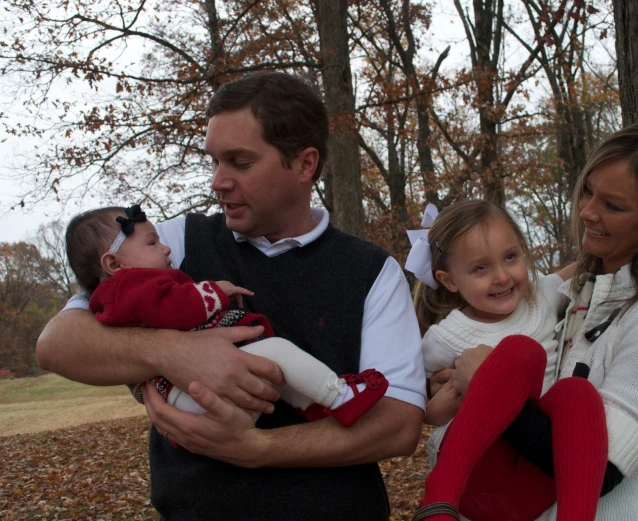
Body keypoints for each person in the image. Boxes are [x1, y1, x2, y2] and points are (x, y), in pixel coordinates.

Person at [36, 71, 425, 521]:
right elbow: (56, 343)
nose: (218, 181)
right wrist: (176, 352)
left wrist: (255, 449)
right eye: (215, 161)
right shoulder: (173, 243)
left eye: (239, 163)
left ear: (304, 164)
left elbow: (398, 426)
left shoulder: (372, 272)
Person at [433, 117, 638, 521]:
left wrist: (488, 386)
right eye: (588, 191)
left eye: (612, 205)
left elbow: (604, 470)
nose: (587, 211)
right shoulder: (577, 294)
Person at [65, 203, 389, 426]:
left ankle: (313, 405)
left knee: (273, 371)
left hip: (187, 393)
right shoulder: (130, 287)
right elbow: (176, 309)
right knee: (276, 354)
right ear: (113, 264)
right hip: (189, 392)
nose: (166, 249)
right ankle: (340, 395)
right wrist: (215, 291)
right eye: (152, 243)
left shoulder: (117, 293)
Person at [406, 200, 607, 521]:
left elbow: (585, 265)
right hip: (478, 473)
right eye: (480, 268)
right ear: (450, 281)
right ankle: (437, 501)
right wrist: (436, 409)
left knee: (578, 394)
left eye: (511, 257)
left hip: (534, 478)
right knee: (520, 353)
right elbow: (418, 402)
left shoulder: (540, 296)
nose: (502, 276)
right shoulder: (445, 337)